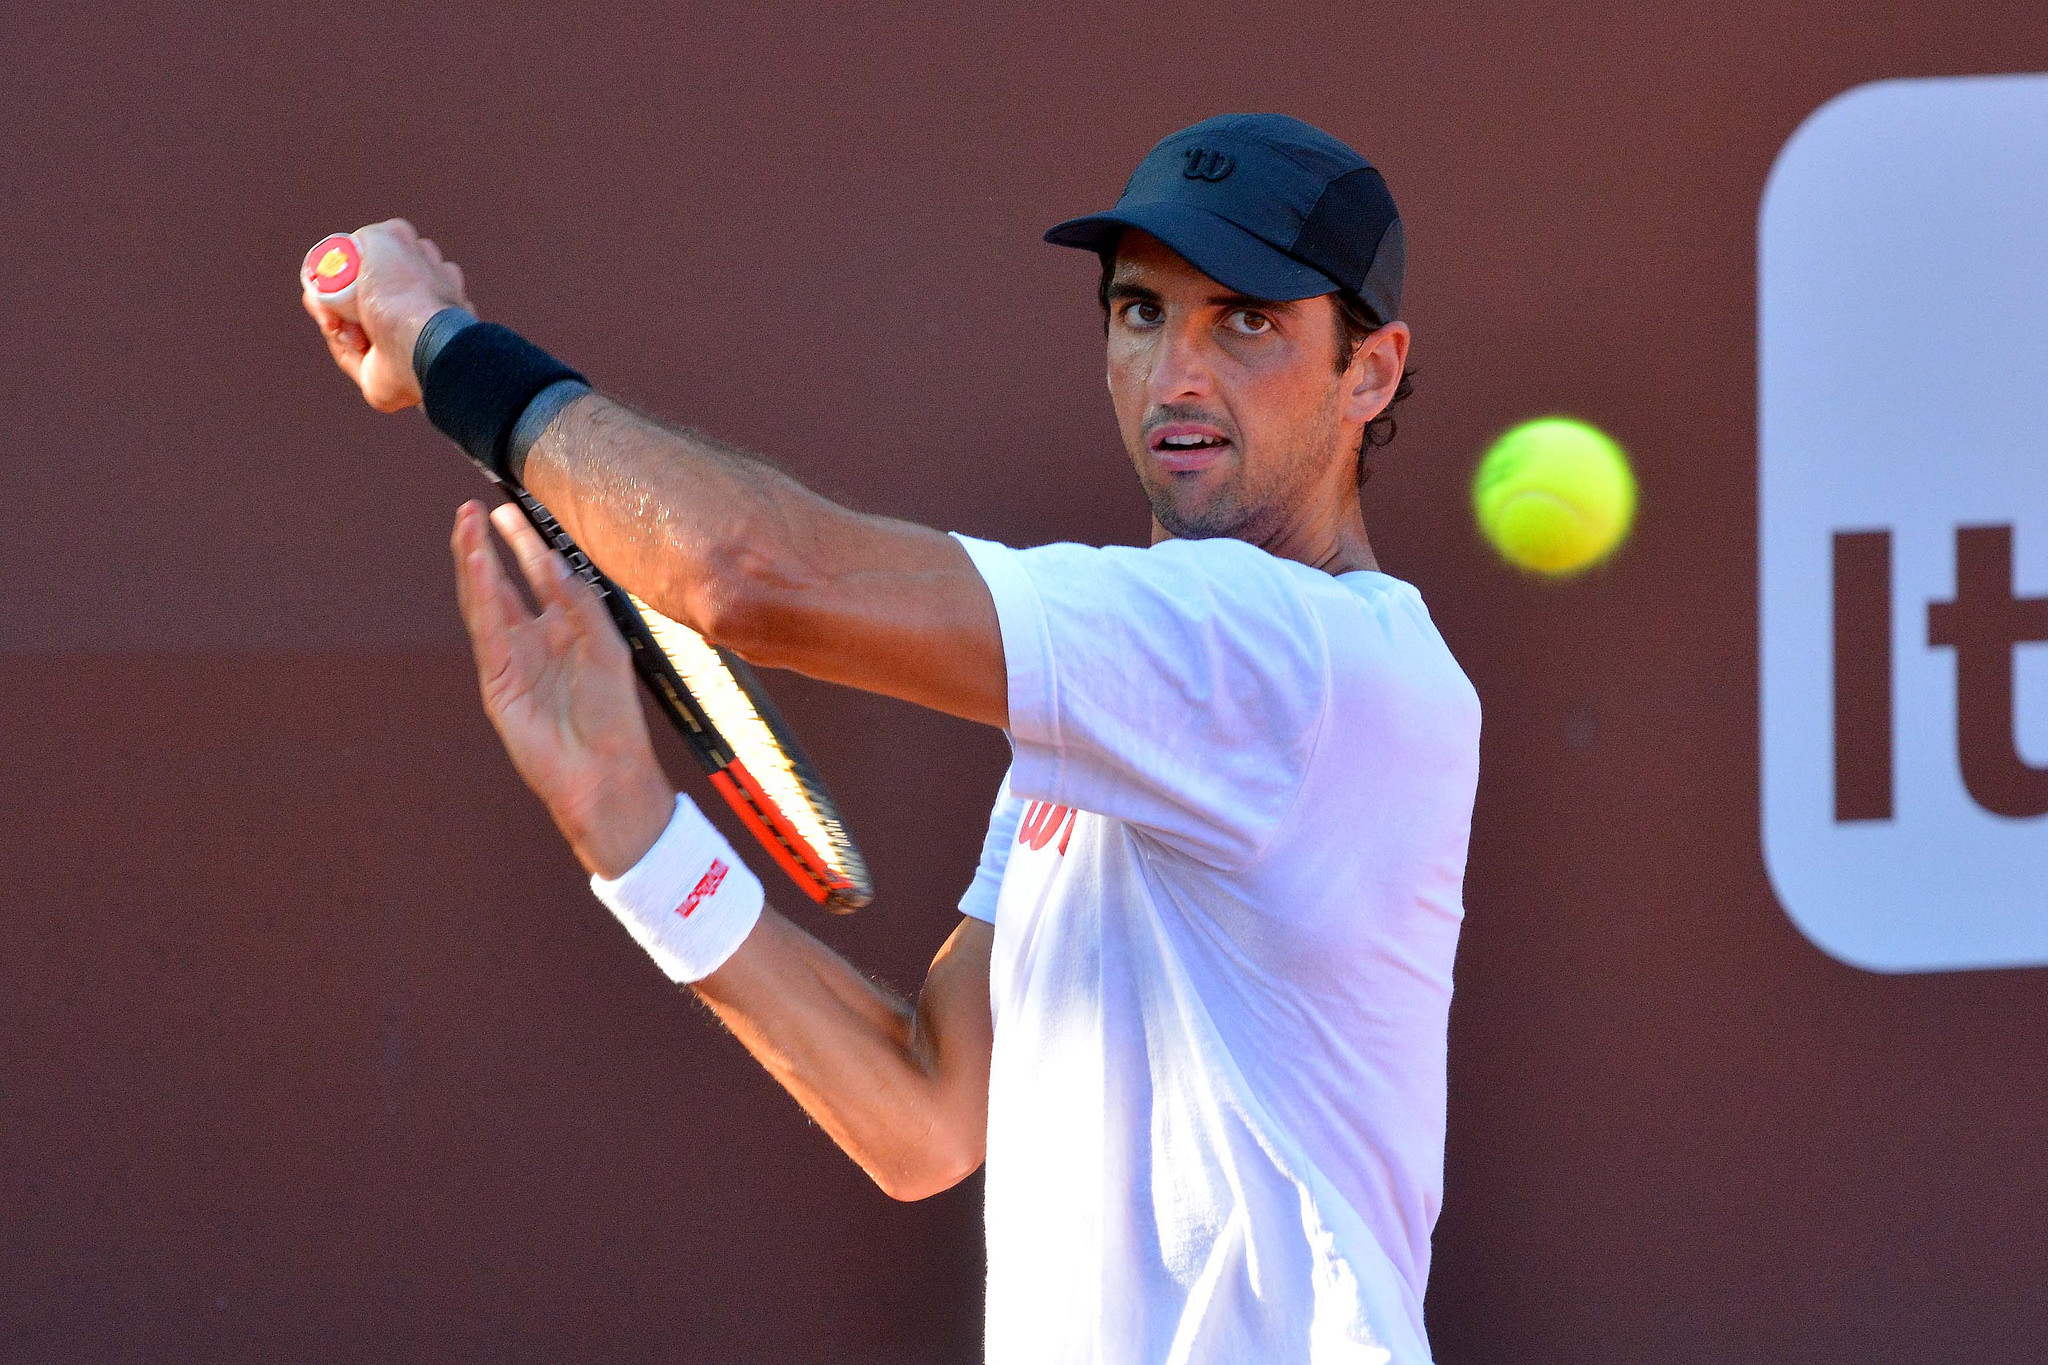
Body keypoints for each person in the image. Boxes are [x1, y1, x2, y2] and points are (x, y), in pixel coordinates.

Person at [305, 112, 1480, 1364]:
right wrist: (632, 831)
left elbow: (748, 576)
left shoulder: (1292, 655)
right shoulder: (1123, 715)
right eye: (1141, 313)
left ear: (1370, 369)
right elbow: (922, 1112)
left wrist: (447, 351)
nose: (1177, 373)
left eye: (1244, 320)